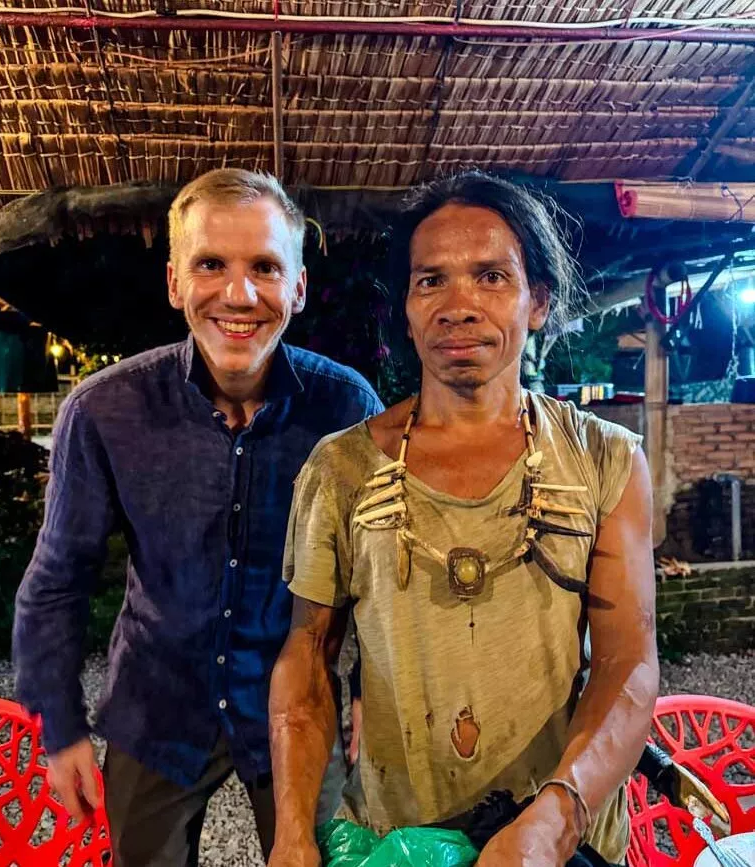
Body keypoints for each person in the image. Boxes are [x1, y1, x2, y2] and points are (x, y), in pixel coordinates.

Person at [268, 172, 659, 867]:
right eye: (431, 281)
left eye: (490, 276)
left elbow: (627, 666)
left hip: (563, 846)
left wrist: (555, 818)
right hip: (399, 844)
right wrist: (294, 830)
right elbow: (307, 661)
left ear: (537, 300)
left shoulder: (605, 460)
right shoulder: (342, 471)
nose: (459, 305)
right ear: (408, 309)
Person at [13, 168, 383, 867]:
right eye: (211, 263)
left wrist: (370, 693)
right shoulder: (102, 411)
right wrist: (59, 726)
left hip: (296, 705)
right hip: (156, 706)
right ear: (175, 282)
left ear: (297, 287)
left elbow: (375, 573)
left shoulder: (346, 409)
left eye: (266, 267)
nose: (239, 294)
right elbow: (58, 578)